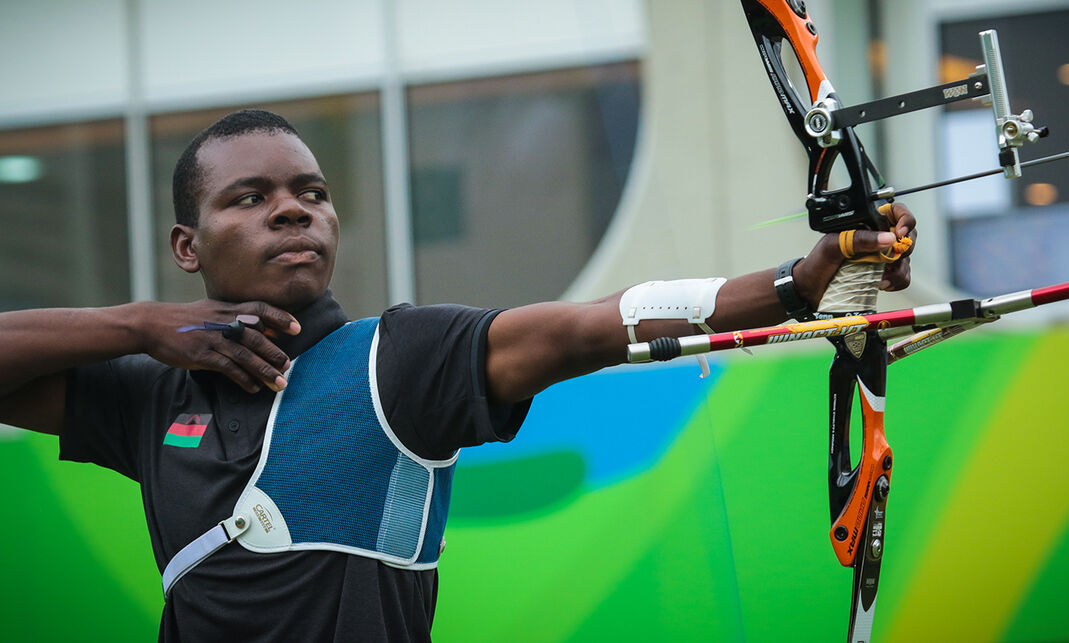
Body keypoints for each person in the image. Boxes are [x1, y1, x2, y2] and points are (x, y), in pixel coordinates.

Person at [0, 109, 916, 642]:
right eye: (251, 197)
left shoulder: (397, 358)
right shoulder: (150, 394)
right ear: (187, 247)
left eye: (311, 193)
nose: (293, 211)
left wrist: (794, 285)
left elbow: (587, 328)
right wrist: (138, 325)